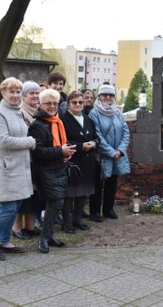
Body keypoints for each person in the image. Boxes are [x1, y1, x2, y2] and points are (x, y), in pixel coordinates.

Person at [0, 77, 36, 261]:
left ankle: (4, 241)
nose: (15, 95)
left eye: (17, 92)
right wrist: (29, 142)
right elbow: (3, 141)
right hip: (5, 170)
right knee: (7, 207)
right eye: (11, 91)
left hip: (19, 168)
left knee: (15, 206)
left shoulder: (17, 112)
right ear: (3, 93)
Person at [29, 88, 76, 253]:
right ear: (40, 104)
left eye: (55, 103)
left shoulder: (57, 121)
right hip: (45, 170)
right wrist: (60, 151)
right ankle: (44, 238)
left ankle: (48, 235)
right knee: (56, 202)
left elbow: (59, 143)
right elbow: (38, 152)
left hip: (59, 167)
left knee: (55, 203)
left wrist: (67, 148)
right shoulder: (37, 125)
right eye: (48, 103)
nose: (52, 106)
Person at [88, 84, 131, 221]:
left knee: (112, 183)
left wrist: (120, 150)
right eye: (104, 95)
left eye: (110, 95)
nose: (107, 97)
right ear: (99, 96)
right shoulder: (94, 113)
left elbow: (126, 132)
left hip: (116, 154)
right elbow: (97, 136)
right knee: (98, 184)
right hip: (101, 156)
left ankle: (108, 209)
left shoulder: (118, 112)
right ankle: (95, 212)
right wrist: (111, 152)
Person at [60, 91, 98, 233]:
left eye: (80, 102)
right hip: (72, 161)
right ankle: (66, 222)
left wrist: (93, 144)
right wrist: (81, 146)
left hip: (87, 161)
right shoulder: (63, 120)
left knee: (83, 193)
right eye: (74, 102)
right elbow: (63, 141)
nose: (77, 105)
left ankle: (77, 220)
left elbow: (96, 137)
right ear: (68, 104)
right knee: (69, 194)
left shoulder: (88, 120)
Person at [11, 80, 42, 240]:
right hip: (24, 158)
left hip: (35, 159)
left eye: (37, 92)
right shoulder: (22, 112)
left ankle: (30, 226)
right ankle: (17, 228)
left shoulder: (36, 110)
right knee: (22, 195)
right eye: (32, 93)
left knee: (32, 194)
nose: (36, 96)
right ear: (24, 96)